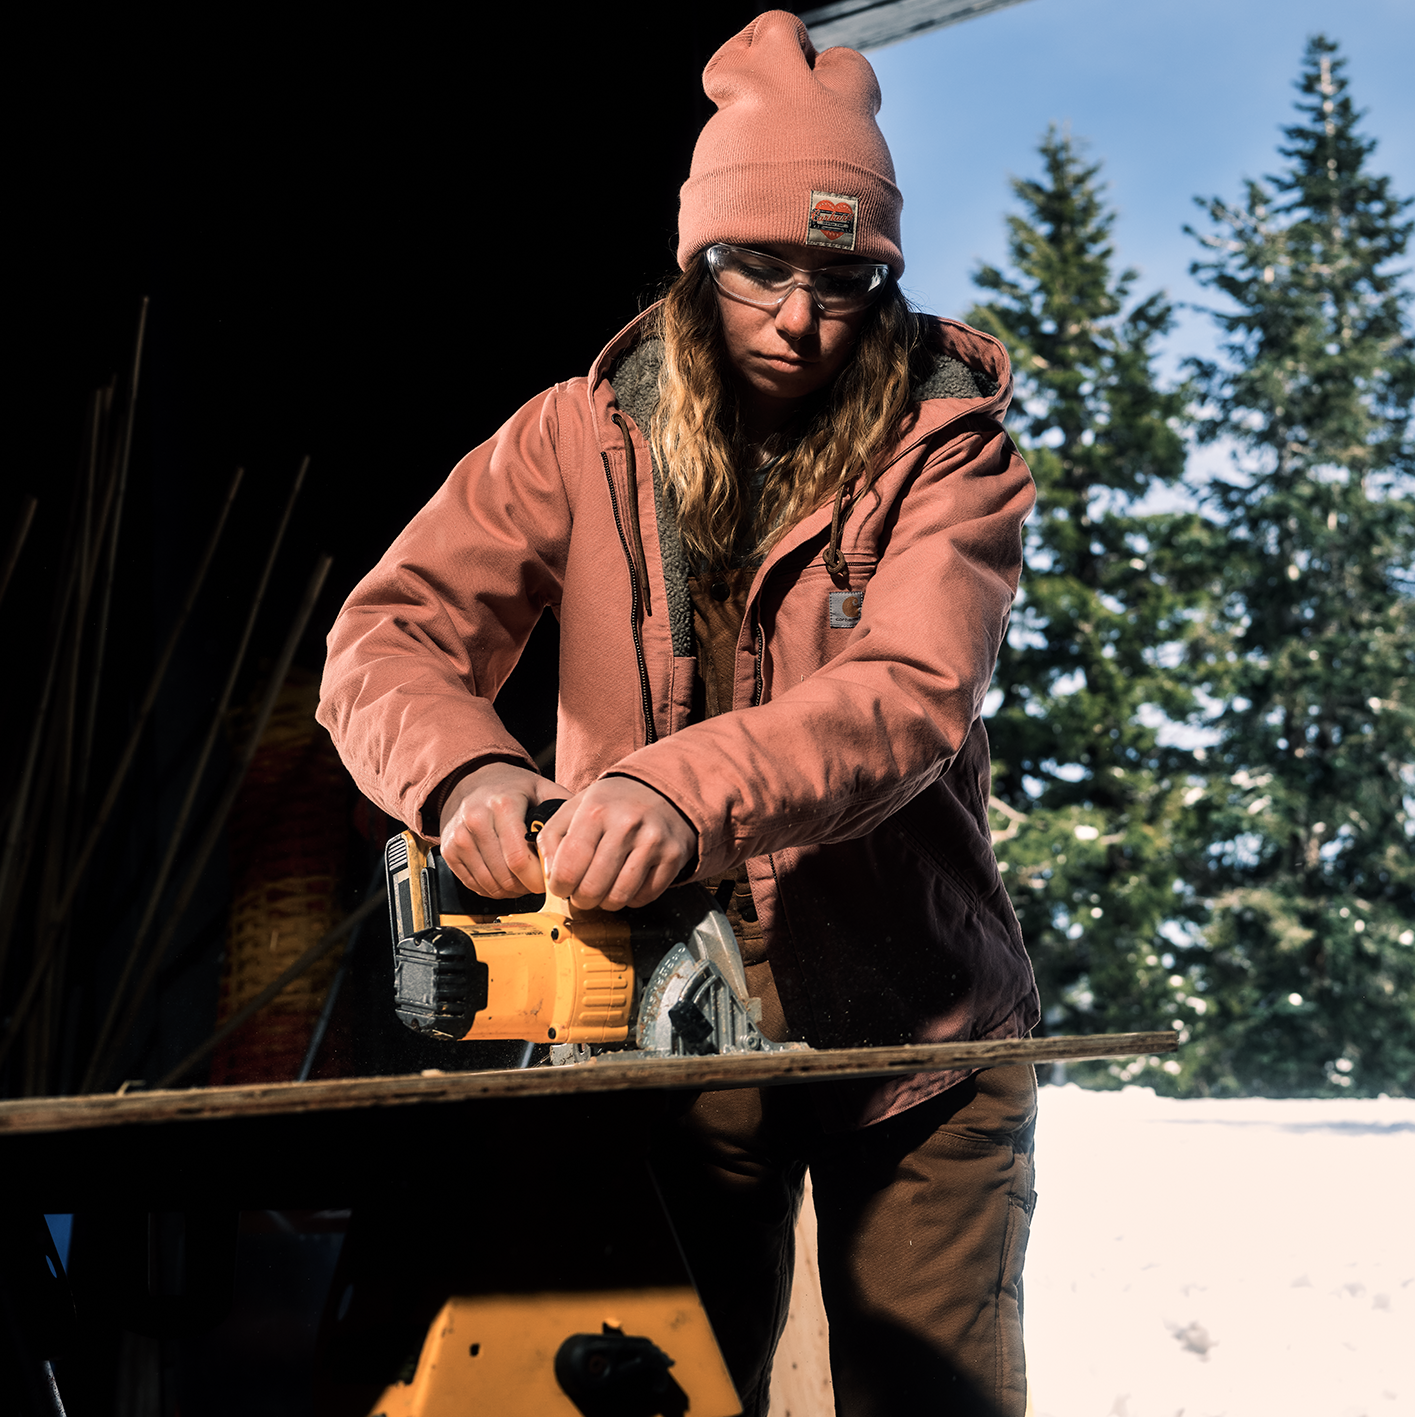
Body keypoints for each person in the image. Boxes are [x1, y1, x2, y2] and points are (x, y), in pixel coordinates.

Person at [318, 11, 1039, 1414]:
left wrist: (670, 793)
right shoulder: (573, 435)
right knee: (656, 1396)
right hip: (664, 1031)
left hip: (922, 1045)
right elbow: (388, 634)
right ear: (698, 258)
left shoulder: (953, 457)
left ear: (884, 279)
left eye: (844, 277)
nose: (797, 314)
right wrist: (466, 779)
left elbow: (908, 697)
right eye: (760, 266)